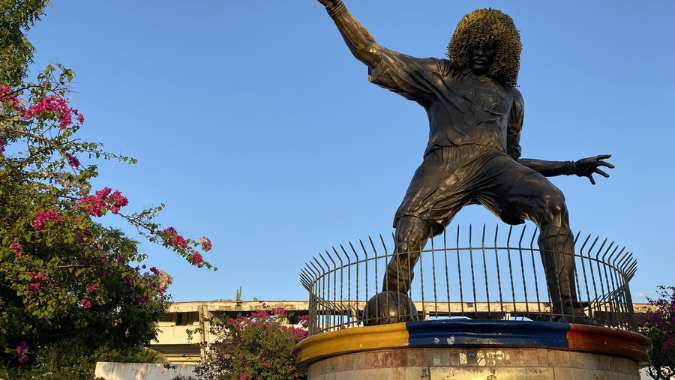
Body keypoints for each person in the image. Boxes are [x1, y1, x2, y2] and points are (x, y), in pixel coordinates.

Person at [312, 0, 613, 323]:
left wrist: (570, 166)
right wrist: (335, 6)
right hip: (445, 162)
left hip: (494, 164)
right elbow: (371, 52)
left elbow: (515, 160)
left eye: (489, 48)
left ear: (503, 53)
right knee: (409, 232)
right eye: (474, 47)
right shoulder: (440, 75)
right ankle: (391, 313)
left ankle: (567, 308)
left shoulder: (512, 97)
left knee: (552, 201)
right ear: (462, 48)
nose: (480, 53)